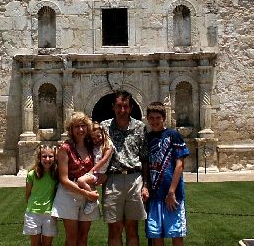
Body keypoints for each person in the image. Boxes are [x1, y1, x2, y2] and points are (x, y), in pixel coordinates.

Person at [101, 90, 149, 246]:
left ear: (131, 107)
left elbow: (144, 158)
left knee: (132, 228)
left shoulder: (140, 127)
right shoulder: (104, 127)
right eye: (119, 106)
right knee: (114, 228)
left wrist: (146, 185)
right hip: (112, 179)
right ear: (113, 107)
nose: (122, 110)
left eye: (126, 106)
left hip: (134, 179)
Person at [51, 112, 100, 246]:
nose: (80, 130)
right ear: (71, 129)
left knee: (84, 235)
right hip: (69, 193)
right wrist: (87, 193)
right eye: (76, 126)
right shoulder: (65, 148)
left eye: (83, 126)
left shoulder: (91, 147)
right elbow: (64, 179)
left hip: (87, 194)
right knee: (72, 237)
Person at [145, 102, 190, 246]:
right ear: (147, 118)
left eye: (158, 117)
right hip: (154, 195)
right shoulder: (147, 137)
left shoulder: (173, 135)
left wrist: (171, 192)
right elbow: (145, 164)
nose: (155, 121)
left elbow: (180, 165)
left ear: (164, 118)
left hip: (172, 195)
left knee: (176, 233)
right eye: (151, 118)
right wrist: (145, 186)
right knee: (156, 235)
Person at [23, 145, 58, 246]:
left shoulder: (56, 174)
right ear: (39, 158)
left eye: (50, 156)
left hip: (49, 213)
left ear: (54, 158)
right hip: (33, 213)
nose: (47, 159)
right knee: (35, 244)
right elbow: (27, 194)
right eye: (44, 156)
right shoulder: (32, 174)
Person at [77, 121, 115, 215]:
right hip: (95, 172)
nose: (96, 139)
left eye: (98, 136)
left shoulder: (108, 144)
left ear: (103, 133)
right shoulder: (95, 146)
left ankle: (93, 200)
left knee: (81, 181)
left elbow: (104, 160)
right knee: (82, 182)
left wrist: (91, 171)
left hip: (98, 173)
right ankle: (93, 197)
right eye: (93, 138)